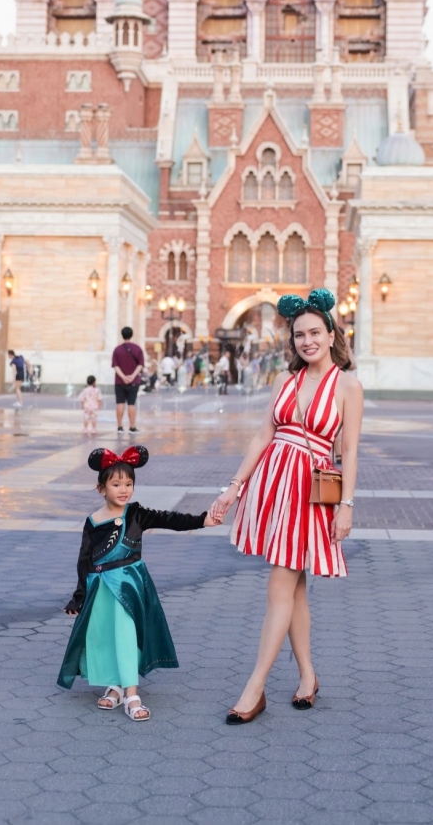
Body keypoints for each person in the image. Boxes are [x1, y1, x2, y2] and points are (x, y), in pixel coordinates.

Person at [209, 288, 363, 725]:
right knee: (293, 590)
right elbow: (263, 435)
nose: (307, 341)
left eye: (315, 332)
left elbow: (348, 450)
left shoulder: (348, 386)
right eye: (299, 335)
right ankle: (308, 677)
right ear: (292, 341)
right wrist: (234, 488)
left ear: (332, 334)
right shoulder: (285, 380)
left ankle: (254, 688)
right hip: (273, 488)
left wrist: (346, 504)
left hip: (311, 493)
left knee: (280, 586)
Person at [58, 445, 221, 719]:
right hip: (101, 589)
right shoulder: (93, 521)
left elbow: (169, 518)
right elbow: (84, 561)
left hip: (129, 586)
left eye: (129, 483)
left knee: (125, 634)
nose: (124, 489)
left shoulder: (136, 513)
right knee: (105, 636)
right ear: (101, 489)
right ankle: (115, 686)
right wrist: (79, 596)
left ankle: (132, 694)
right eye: (116, 483)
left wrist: (202, 520)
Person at [112, 327, 144, 433]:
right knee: (131, 403)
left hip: (119, 381)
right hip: (134, 381)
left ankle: (120, 426)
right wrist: (132, 376)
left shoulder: (117, 349)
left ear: (122, 335)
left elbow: (115, 366)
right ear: (132, 334)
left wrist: (123, 377)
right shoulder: (137, 349)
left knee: (120, 403)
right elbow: (140, 365)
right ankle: (132, 426)